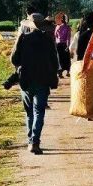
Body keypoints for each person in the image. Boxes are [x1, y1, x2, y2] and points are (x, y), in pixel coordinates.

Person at [10, 12, 59, 155]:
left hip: (26, 79)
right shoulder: (48, 40)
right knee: (39, 112)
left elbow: (14, 59)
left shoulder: (23, 39)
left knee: (29, 112)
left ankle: (30, 140)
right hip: (43, 80)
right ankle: (35, 141)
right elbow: (55, 62)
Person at [54, 12, 72, 77]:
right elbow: (68, 38)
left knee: (60, 59)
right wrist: (68, 46)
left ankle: (60, 73)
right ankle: (67, 72)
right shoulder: (67, 27)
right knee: (66, 59)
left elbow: (55, 36)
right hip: (64, 45)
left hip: (58, 45)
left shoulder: (57, 27)